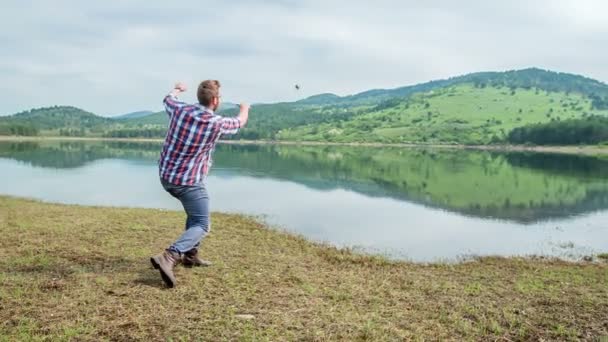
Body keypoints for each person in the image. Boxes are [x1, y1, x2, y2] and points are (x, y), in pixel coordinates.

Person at [150, 80, 250, 288]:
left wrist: (177, 89)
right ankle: (170, 256)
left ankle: (190, 256)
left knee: (194, 215)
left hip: (166, 177)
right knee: (202, 224)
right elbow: (240, 122)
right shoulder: (216, 122)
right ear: (214, 100)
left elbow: (168, 99)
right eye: (219, 98)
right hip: (188, 182)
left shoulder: (179, 110)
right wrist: (244, 108)